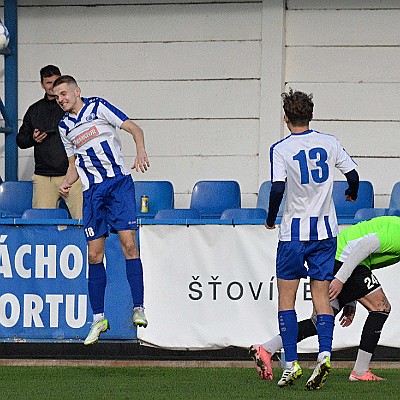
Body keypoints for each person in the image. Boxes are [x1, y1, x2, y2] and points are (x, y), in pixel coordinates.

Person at [257, 89, 359, 390]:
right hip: (326, 232)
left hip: (294, 234)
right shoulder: (330, 142)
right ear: (310, 115)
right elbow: (353, 174)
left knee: (286, 298)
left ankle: (290, 364)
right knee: (321, 295)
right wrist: (351, 191)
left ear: (286, 118)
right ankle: (324, 354)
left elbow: (277, 188)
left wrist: (270, 217)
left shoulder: (281, 148)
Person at [52, 75, 150, 346]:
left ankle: (138, 308)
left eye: (64, 93)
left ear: (76, 91)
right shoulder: (64, 126)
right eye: (57, 96)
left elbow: (134, 128)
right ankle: (98, 319)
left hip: (117, 185)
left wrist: (140, 151)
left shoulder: (97, 107)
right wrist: (66, 182)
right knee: (94, 256)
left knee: (129, 245)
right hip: (92, 193)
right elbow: (73, 164)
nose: (61, 99)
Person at [250, 215, 400, 382]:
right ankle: (360, 371)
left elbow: (362, 254)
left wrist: (351, 301)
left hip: (342, 259)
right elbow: (363, 246)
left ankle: (266, 349)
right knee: (381, 308)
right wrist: (341, 279)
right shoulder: (398, 234)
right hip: (341, 260)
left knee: (319, 321)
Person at [16, 65, 82, 219]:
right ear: (42, 85)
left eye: (55, 82)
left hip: (73, 175)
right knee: (41, 226)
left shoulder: (71, 106)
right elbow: (20, 140)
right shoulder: (35, 110)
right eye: (48, 83)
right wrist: (33, 139)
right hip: (44, 177)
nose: (52, 87)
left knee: (83, 221)